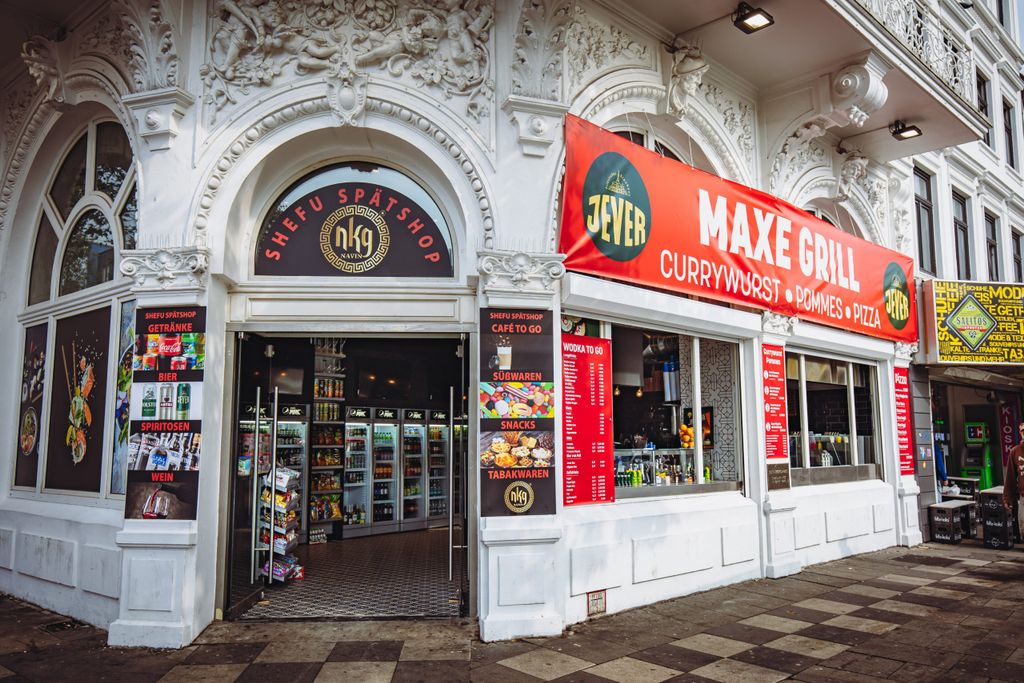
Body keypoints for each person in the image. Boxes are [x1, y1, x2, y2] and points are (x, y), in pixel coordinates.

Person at [1002, 421, 1024, 541]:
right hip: (1023, 497)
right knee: (1023, 526)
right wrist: (1007, 497)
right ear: (1020, 433)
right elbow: (1010, 477)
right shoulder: (1015, 451)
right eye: (1023, 432)